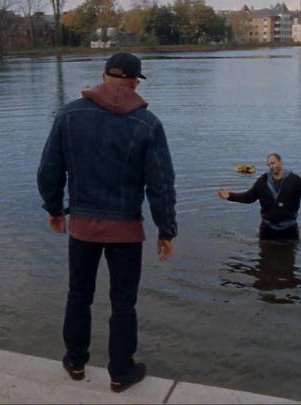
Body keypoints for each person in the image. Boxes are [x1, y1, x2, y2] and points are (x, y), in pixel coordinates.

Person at [37, 53, 177, 393]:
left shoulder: (69, 114)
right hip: (126, 231)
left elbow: (49, 171)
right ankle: (120, 371)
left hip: (83, 226)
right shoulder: (148, 124)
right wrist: (166, 230)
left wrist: (55, 210)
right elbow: (160, 184)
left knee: (79, 294)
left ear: (103, 76)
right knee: (123, 302)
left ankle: (75, 360)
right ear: (134, 81)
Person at [218, 153, 301, 240]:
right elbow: (248, 197)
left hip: (289, 227)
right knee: (264, 265)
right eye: (268, 164)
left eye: (273, 163)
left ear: (281, 162)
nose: (270, 166)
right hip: (267, 228)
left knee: (289, 263)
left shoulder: (294, 180)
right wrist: (229, 196)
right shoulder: (262, 181)